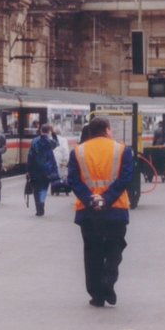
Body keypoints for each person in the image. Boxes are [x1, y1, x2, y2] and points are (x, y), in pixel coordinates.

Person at [68, 117, 134, 307]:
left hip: (88, 212)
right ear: (107, 130)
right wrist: (107, 199)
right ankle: (108, 279)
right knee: (115, 248)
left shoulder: (78, 152)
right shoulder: (122, 150)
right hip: (116, 210)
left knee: (92, 251)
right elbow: (125, 178)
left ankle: (96, 295)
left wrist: (91, 199)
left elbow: (74, 180)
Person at [26, 123, 61, 216]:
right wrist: (53, 133)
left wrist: (28, 170)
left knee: (36, 189)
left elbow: (30, 156)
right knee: (44, 188)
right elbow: (57, 143)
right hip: (47, 169)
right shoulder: (50, 142)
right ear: (49, 131)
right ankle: (42, 203)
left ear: (41, 130)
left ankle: (38, 208)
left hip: (35, 168)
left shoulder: (34, 141)